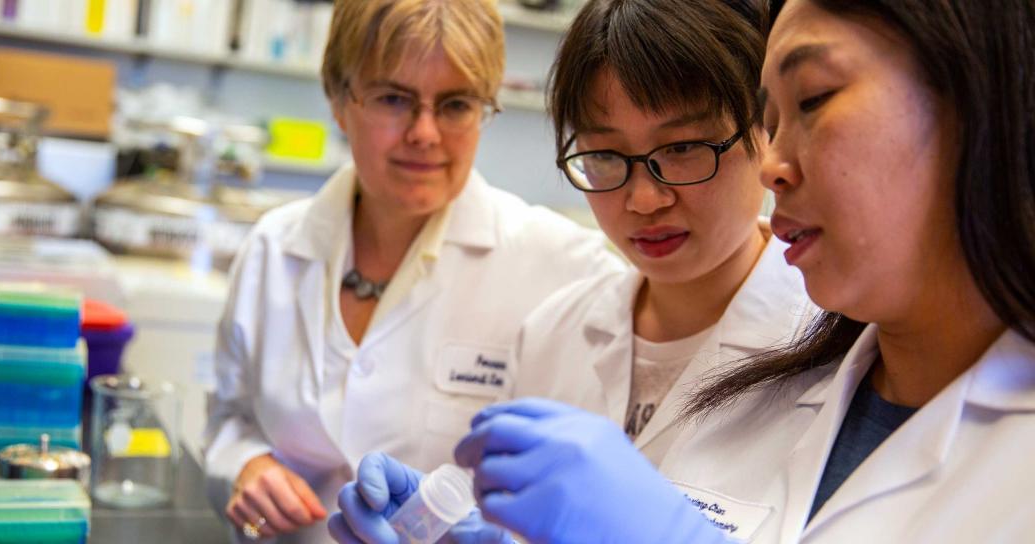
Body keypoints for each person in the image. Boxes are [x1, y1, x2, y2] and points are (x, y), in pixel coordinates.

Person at [448, 0, 1035, 543]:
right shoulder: (856, 376)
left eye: (811, 101)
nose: (773, 164)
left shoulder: (820, 355)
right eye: (604, 156)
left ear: (984, 93)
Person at [203, 0, 623, 541]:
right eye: (394, 98)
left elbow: (584, 494)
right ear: (338, 99)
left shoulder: (565, 268)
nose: (425, 133)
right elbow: (227, 419)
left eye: (455, 105)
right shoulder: (273, 248)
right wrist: (246, 466)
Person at [509, 0, 811, 466]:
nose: (646, 200)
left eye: (684, 147)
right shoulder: (552, 333)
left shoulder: (834, 343)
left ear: (766, 128)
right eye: (606, 155)